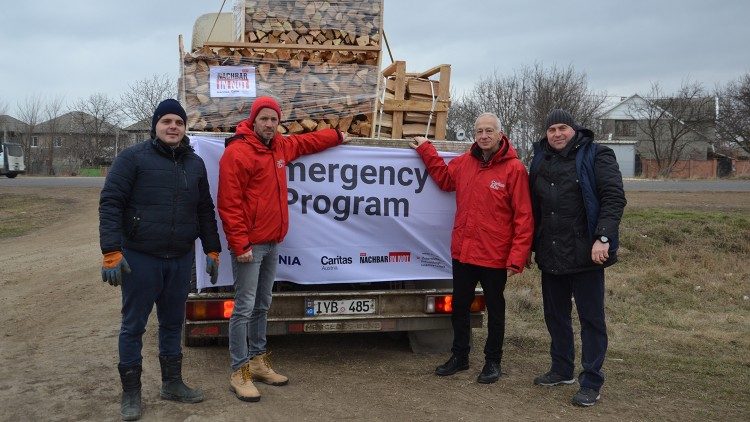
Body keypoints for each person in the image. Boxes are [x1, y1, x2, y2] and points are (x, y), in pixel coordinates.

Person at [218, 96, 347, 401]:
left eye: (274, 119)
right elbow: (228, 204)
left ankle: (258, 361)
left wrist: (339, 135)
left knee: (263, 303)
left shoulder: (279, 146)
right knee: (244, 307)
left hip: (272, 242)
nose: (270, 124)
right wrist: (240, 245)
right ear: (253, 120)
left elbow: (308, 141)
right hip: (250, 246)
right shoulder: (237, 153)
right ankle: (239, 370)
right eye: (264, 119)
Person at [99, 99, 222, 421]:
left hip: (179, 259)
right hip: (141, 259)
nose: (173, 127)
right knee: (133, 326)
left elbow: (204, 210)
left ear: (184, 128)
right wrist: (111, 250)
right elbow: (111, 203)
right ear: (155, 125)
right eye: (166, 121)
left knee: (171, 324)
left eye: (178, 122)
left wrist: (212, 248)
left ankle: (172, 384)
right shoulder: (132, 159)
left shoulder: (195, 164)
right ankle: (132, 394)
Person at [410, 112, 534, 384]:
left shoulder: (514, 169)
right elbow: (444, 179)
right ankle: (460, 356)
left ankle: (492, 361)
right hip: (464, 252)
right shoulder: (464, 162)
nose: (484, 136)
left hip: (495, 255)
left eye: (489, 131)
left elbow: (524, 216)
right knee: (460, 307)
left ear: (500, 134)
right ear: (474, 135)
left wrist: (517, 257)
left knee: (495, 310)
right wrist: (425, 149)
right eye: (479, 131)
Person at [528, 109, 626, 407]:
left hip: (587, 254)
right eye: (552, 129)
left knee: (591, 319)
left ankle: (591, 380)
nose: (557, 134)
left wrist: (603, 237)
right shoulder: (539, 160)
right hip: (551, 251)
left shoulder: (597, 155)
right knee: (555, 315)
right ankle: (561, 368)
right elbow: (534, 206)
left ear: (574, 129)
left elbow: (613, 197)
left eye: (563, 128)